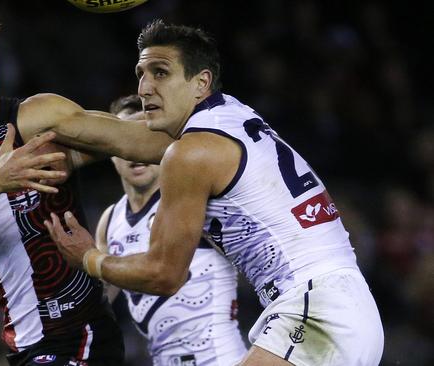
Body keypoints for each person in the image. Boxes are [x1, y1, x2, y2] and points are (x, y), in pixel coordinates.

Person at [47, 20, 385, 365]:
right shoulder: (231, 115)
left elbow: (164, 274)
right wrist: (73, 155)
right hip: (346, 305)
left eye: (160, 72)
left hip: (315, 308)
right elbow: (124, 138)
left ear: (201, 83)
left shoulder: (191, 153)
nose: (145, 87)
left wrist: (90, 258)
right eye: (141, 73)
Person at [0, 6, 172, 366]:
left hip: (82, 334)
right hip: (25, 346)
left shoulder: (35, 118)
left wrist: (221, 131)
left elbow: (139, 141)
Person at [0, 95, 248, 365]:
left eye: (144, 139)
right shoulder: (111, 219)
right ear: (114, 149)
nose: (136, 153)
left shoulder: (192, 200)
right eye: (128, 142)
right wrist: (25, 292)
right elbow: (98, 294)